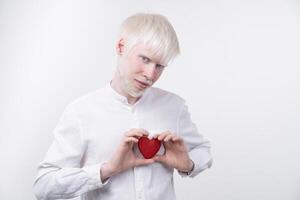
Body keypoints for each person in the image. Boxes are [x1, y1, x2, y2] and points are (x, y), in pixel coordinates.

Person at [33, 13, 213, 200]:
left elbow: (203, 151)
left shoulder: (174, 107)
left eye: (160, 66)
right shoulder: (80, 112)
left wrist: (187, 164)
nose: (150, 74)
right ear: (121, 47)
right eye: (145, 59)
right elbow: (44, 185)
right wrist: (107, 170)